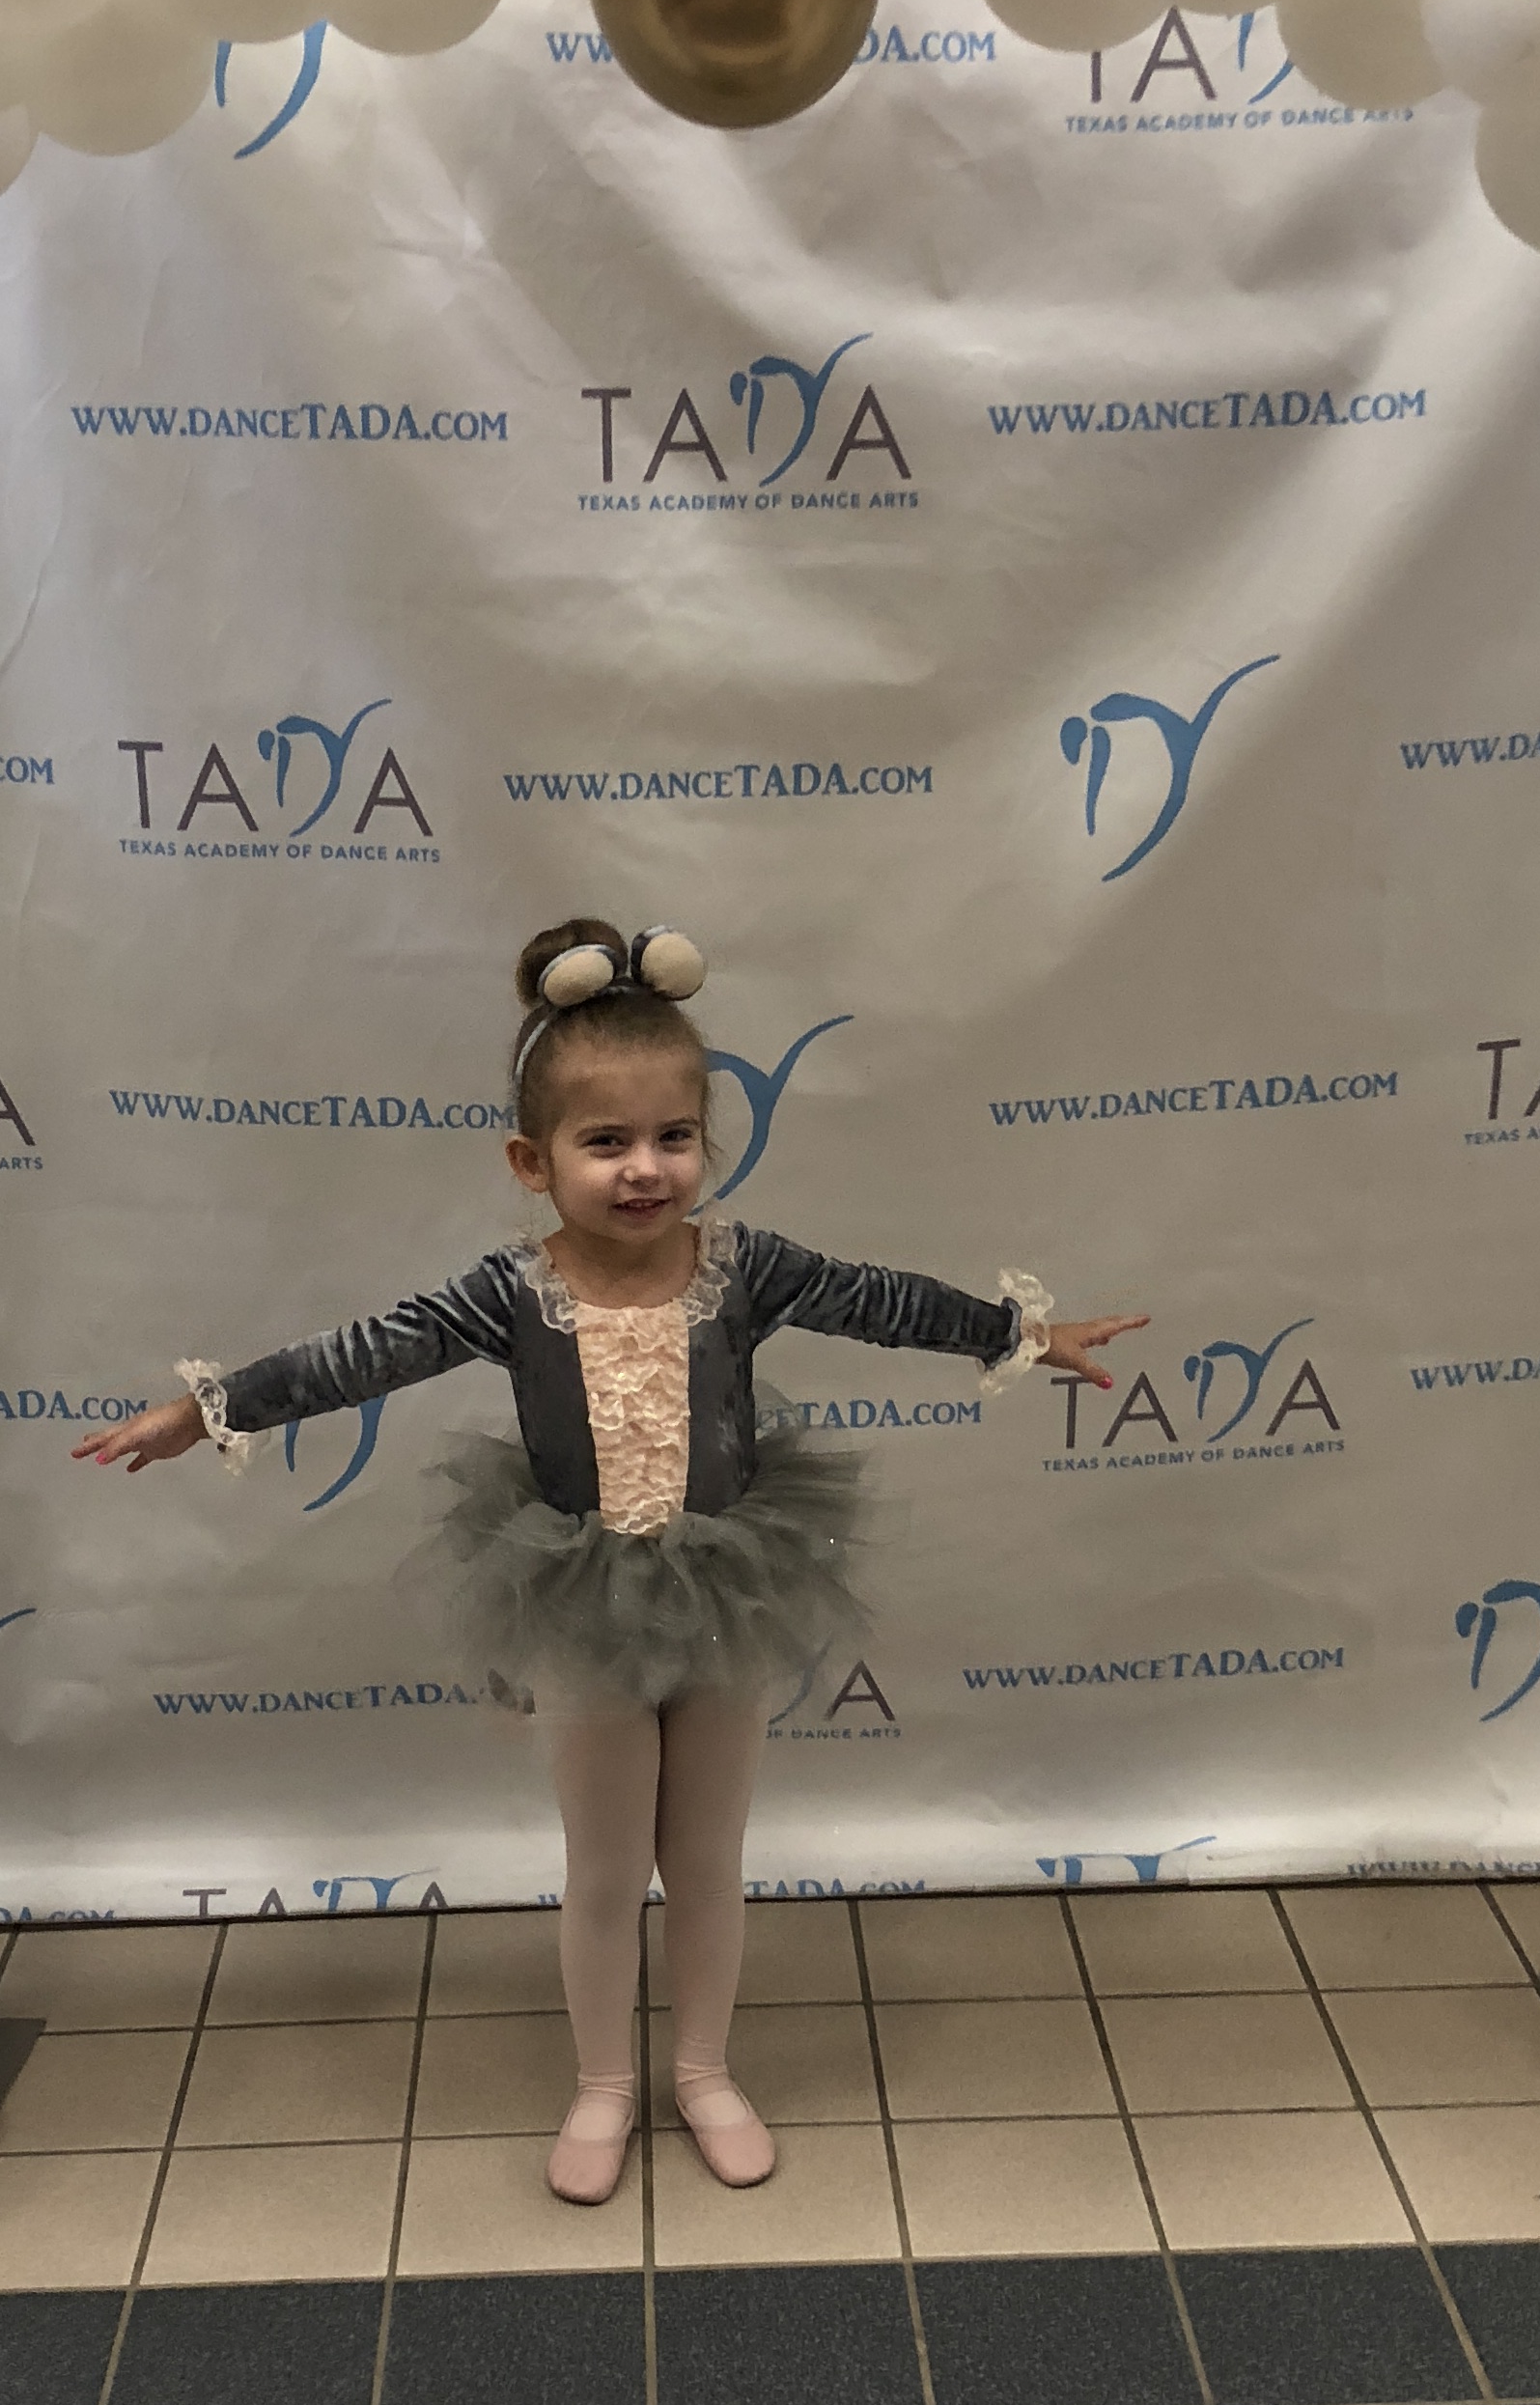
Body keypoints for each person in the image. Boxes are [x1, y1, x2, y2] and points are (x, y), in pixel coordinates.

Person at [75, 915, 1145, 2206]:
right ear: (532, 1162)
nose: (646, 1169)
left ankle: (703, 2071)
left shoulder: (745, 1268)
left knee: (706, 1858)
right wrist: (209, 1410)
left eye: (674, 1137)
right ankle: (602, 2083)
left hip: (727, 1587)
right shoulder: (507, 1293)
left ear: (707, 1143)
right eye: (606, 1142)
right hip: (579, 1598)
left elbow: (884, 1299)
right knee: (603, 1866)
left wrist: (1019, 1333)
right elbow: (359, 1354)